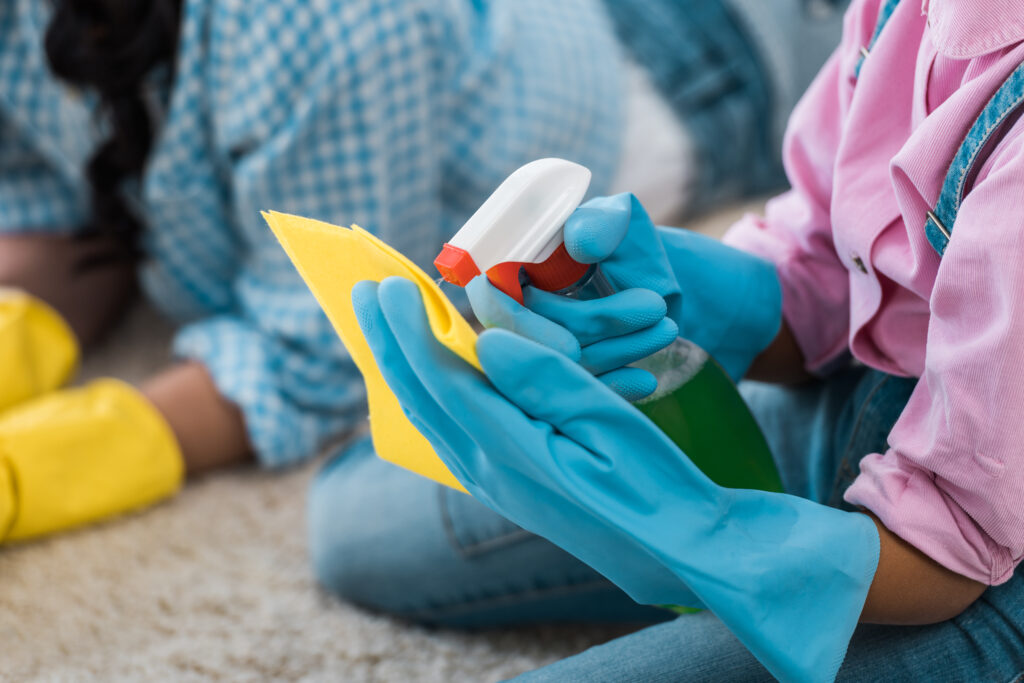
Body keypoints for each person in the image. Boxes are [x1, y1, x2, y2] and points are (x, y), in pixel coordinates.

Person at [324, 0, 1024, 679]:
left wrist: (709, 535)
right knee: (355, 529)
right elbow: (845, 266)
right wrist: (721, 300)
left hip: (976, 561)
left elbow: (955, 541)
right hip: (888, 396)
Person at [0, 0, 844, 543]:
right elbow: (67, 215)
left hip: (706, 57)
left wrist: (27, 473)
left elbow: (314, 359)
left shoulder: (313, 23)